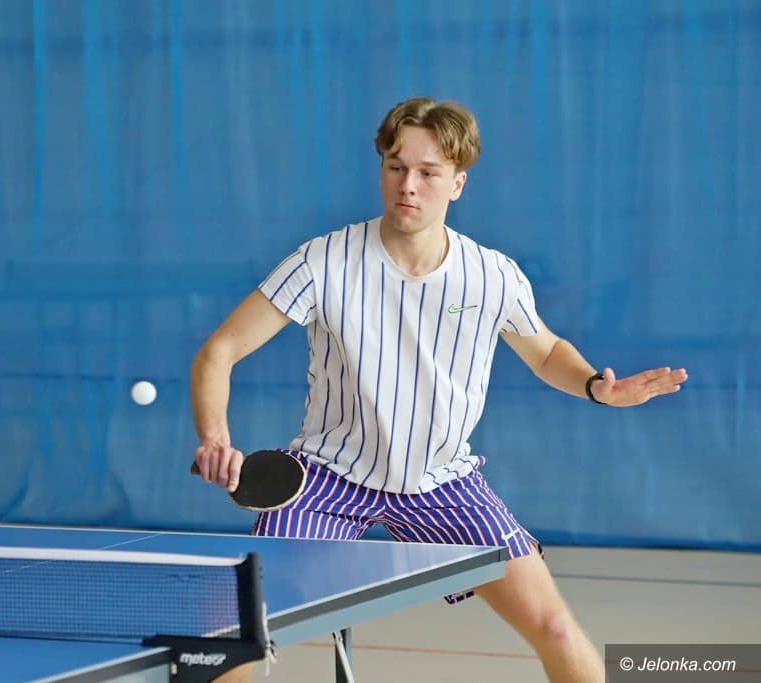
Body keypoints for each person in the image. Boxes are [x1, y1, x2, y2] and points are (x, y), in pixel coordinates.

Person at [190, 97, 688, 683]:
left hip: (442, 481)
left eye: (428, 172)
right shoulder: (322, 262)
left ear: (457, 183)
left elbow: (547, 351)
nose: (408, 185)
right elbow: (219, 351)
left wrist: (595, 387)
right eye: (396, 166)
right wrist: (215, 438)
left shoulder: (492, 274)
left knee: (554, 626)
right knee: (239, 632)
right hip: (325, 480)